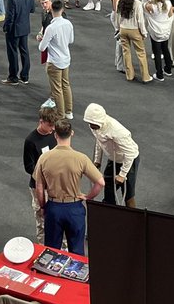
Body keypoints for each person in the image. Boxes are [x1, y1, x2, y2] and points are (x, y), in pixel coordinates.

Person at [33, 119, 103, 254]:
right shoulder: (81, 158)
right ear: (72, 133)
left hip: (54, 208)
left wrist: (43, 206)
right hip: (74, 209)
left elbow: (39, 186)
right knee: (77, 252)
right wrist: (88, 196)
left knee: (50, 253)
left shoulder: (44, 158)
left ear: (55, 135)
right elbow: (100, 182)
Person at [83, 103, 140, 207]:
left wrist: (122, 175)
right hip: (114, 159)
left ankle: (133, 219)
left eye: (92, 123)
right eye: (89, 122)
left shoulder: (117, 131)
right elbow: (99, 141)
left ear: (99, 121)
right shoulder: (95, 126)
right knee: (108, 188)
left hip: (128, 160)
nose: (90, 126)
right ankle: (110, 214)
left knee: (128, 194)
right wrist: (97, 161)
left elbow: (130, 153)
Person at [23, 107, 59, 244]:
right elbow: (28, 167)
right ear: (41, 121)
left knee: (56, 215)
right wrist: (42, 178)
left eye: (54, 126)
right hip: (38, 186)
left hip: (54, 184)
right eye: (50, 125)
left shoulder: (53, 135)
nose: (52, 129)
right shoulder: (31, 141)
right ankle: (42, 247)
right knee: (41, 217)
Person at [39, 0, 74, 119]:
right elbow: (71, 40)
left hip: (54, 62)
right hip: (65, 59)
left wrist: (42, 39)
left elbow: (42, 47)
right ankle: (69, 112)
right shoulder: (68, 24)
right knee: (66, 85)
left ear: (52, 10)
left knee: (57, 89)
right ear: (62, 9)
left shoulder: (51, 28)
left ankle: (60, 114)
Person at [115, 0, 153, 83]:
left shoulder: (121, 2)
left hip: (123, 29)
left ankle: (129, 75)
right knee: (141, 53)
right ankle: (145, 76)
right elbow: (140, 20)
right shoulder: (137, 4)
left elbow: (118, 17)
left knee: (126, 52)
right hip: (134, 30)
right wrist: (144, 33)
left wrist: (118, 29)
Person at [2, 0, 35, 85]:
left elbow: (10, 17)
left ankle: (13, 77)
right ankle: (25, 76)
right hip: (25, 27)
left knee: (12, 53)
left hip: (14, 30)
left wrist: (6, 28)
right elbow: (32, 9)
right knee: (24, 51)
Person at [143, 0, 173, 81]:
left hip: (155, 32)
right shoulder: (168, 4)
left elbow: (143, 4)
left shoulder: (151, 6)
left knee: (157, 52)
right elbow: (171, 16)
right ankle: (168, 69)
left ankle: (159, 75)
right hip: (165, 31)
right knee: (165, 49)